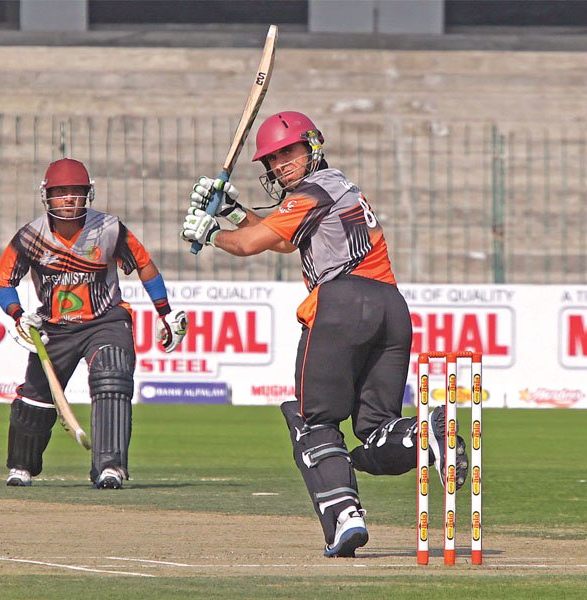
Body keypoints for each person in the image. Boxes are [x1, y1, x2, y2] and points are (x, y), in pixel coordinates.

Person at [181, 111, 468, 557]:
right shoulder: (334, 190)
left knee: (313, 421)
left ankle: (345, 518)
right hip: (391, 309)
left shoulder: (314, 190)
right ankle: (422, 438)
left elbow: (250, 244)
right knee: (375, 430)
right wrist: (233, 211)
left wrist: (212, 232)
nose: (280, 166)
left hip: (341, 306)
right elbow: (282, 239)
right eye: (273, 160)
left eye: (288, 152)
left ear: (313, 145)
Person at [0, 158, 188, 490]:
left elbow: (145, 266)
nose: (69, 199)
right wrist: (17, 315)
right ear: (47, 196)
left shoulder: (109, 229)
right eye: (61, 193)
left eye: (76, 192)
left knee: (112, 376)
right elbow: (3, 283)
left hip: (105, 320)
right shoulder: (31, 236)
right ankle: (21, 466)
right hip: (54, 326)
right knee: (36, 397)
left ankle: (110, 467)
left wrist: (165, 312)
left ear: (87, 195)